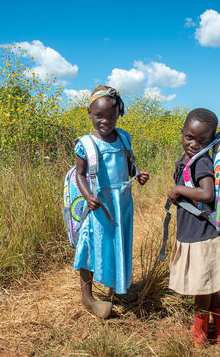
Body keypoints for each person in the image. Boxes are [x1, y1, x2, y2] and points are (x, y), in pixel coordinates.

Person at [74, 85, 149, 319]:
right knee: (90, 245)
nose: (105, 121)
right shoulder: (86, 144)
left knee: (119, 243)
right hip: (99, 204)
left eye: (111, 116)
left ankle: (117, 287)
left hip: (122, 203)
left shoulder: (123, 137)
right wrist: (88, 196)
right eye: (99, 116)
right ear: (89, 113)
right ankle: (88, 296)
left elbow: (128, 167)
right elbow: (79, 174)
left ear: (118, 115)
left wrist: (138, 174)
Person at [167, 108, 220, 348]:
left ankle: (201, 334)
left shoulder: (201, 161)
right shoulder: (187, 159)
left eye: (202, 140)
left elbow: (207, 193)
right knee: (211, 283)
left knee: (202, 286)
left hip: (202, 233)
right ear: (182, 132)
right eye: (190, 137)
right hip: (198, 230)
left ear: (212, 139)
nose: (194, 144)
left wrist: (178, 191)